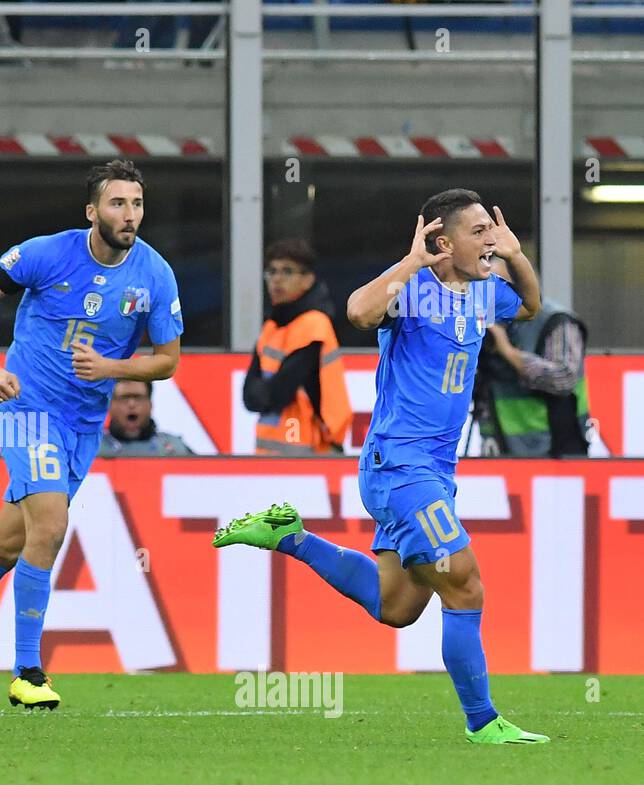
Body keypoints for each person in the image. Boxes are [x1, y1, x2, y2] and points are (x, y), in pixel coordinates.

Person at [215, 188, 550, 746]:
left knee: (397, 608)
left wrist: (514, 254)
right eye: (478, 233)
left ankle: (289, 538)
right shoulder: (413, 288)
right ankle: (483, 722)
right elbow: (357, 312)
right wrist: (414, 260)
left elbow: (532, 304)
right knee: (465, 586)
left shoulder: (484, 290)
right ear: (442, 241)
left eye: (491, 231)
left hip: (434, 470)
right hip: (400, 466)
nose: (488, 240)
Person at [0, 159, 184, 709]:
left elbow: (168, 361)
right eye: (118, 204)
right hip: (29, 409)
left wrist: (112, 369)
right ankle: (28, 670)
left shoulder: (155, 274)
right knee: (51, 525)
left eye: (137, 204)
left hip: (83, 424)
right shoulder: (45, 254)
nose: (130, 215)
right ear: (92, 211)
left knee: (11, 543)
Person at [243, 239, 351, 455]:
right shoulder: (271, 327)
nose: (277, 279)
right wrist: (264, 394)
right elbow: (249, 397)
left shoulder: (314, 325)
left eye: (287, 271)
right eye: (272, 271)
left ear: (308, 279)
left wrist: (264, 393)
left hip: (314, 451)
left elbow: (277, 394)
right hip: (274, 454)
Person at [474, 298, 590, 457]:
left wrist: (508, 352)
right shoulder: (481, 320)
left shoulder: (556, 321)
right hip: (501, 447)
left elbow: (564, 378)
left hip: (557, 450)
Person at [99, 380, 193, 456]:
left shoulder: (173, 448)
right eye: (124, 398)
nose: (132, 404)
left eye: (138, 397)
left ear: (150, 404)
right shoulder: (93, 449)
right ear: (110, 405)